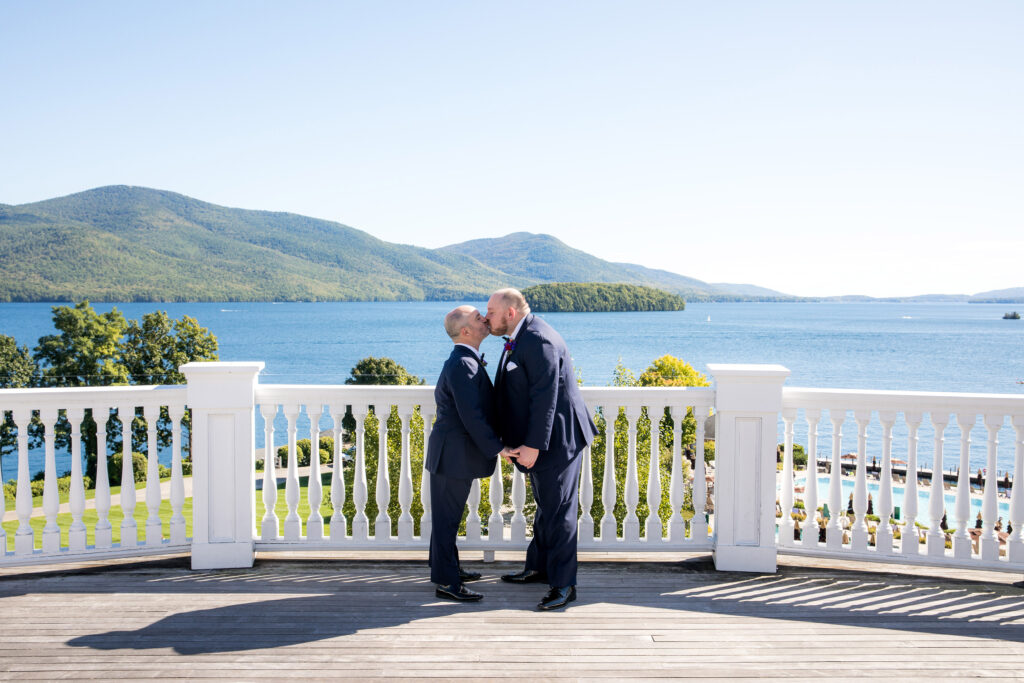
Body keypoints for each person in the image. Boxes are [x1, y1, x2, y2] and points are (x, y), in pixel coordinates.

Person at [485, 288, 598, 611]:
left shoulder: (539, 339)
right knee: (546, 507)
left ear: (510, 313)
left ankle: (564, 585)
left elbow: (545, 396)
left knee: (560, 512)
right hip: (542, 441)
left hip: (557, 441)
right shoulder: (523, 336)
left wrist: (534, 444)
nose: (486, 317)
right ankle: (538, 567)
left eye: (491, 311)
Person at [426, 305, 517, 602]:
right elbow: (472, 416)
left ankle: (445, 569)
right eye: (479, 318)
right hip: (453, 455)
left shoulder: (465, 360)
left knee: (447, 518)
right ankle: (447, 583)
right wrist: (498, 448)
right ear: (465, 330)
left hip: (453, 453)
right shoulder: (463, 364)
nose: (486, 319)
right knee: (446, 520)